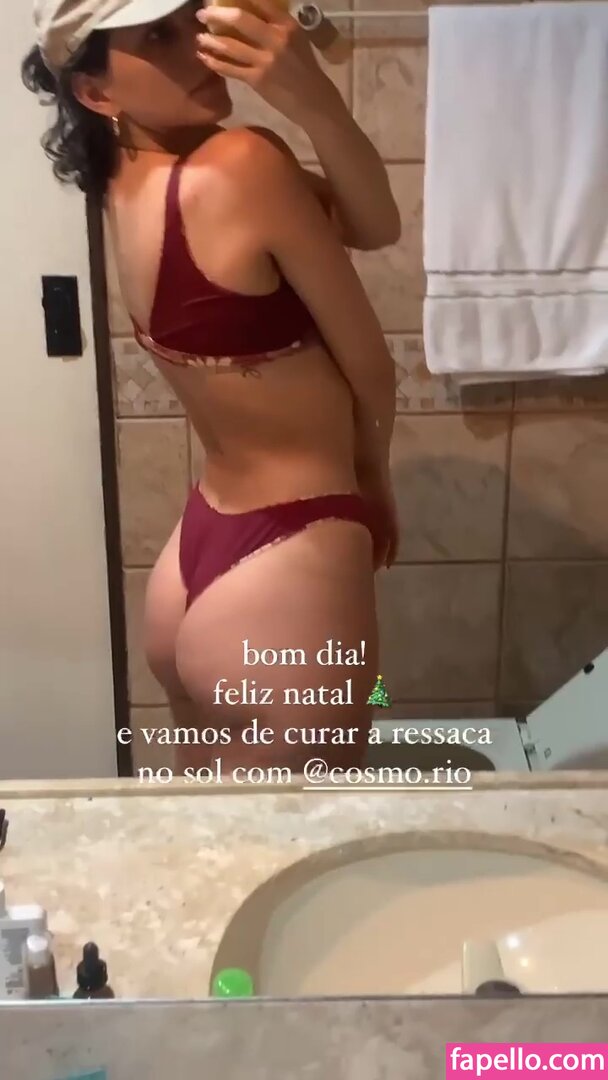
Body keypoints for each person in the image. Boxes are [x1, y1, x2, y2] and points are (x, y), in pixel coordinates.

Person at [25, 0, 401, 777]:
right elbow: (371, 360)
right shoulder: (242, 166)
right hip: (292, 557)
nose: (196, 47)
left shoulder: (126, 182)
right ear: (96, 92)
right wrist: (373, 482)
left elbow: (367, 224)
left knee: (210, 834)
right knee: (303, 839)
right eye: (158, 35)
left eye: (193, 20)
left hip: (195, 563)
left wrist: (311, 101)